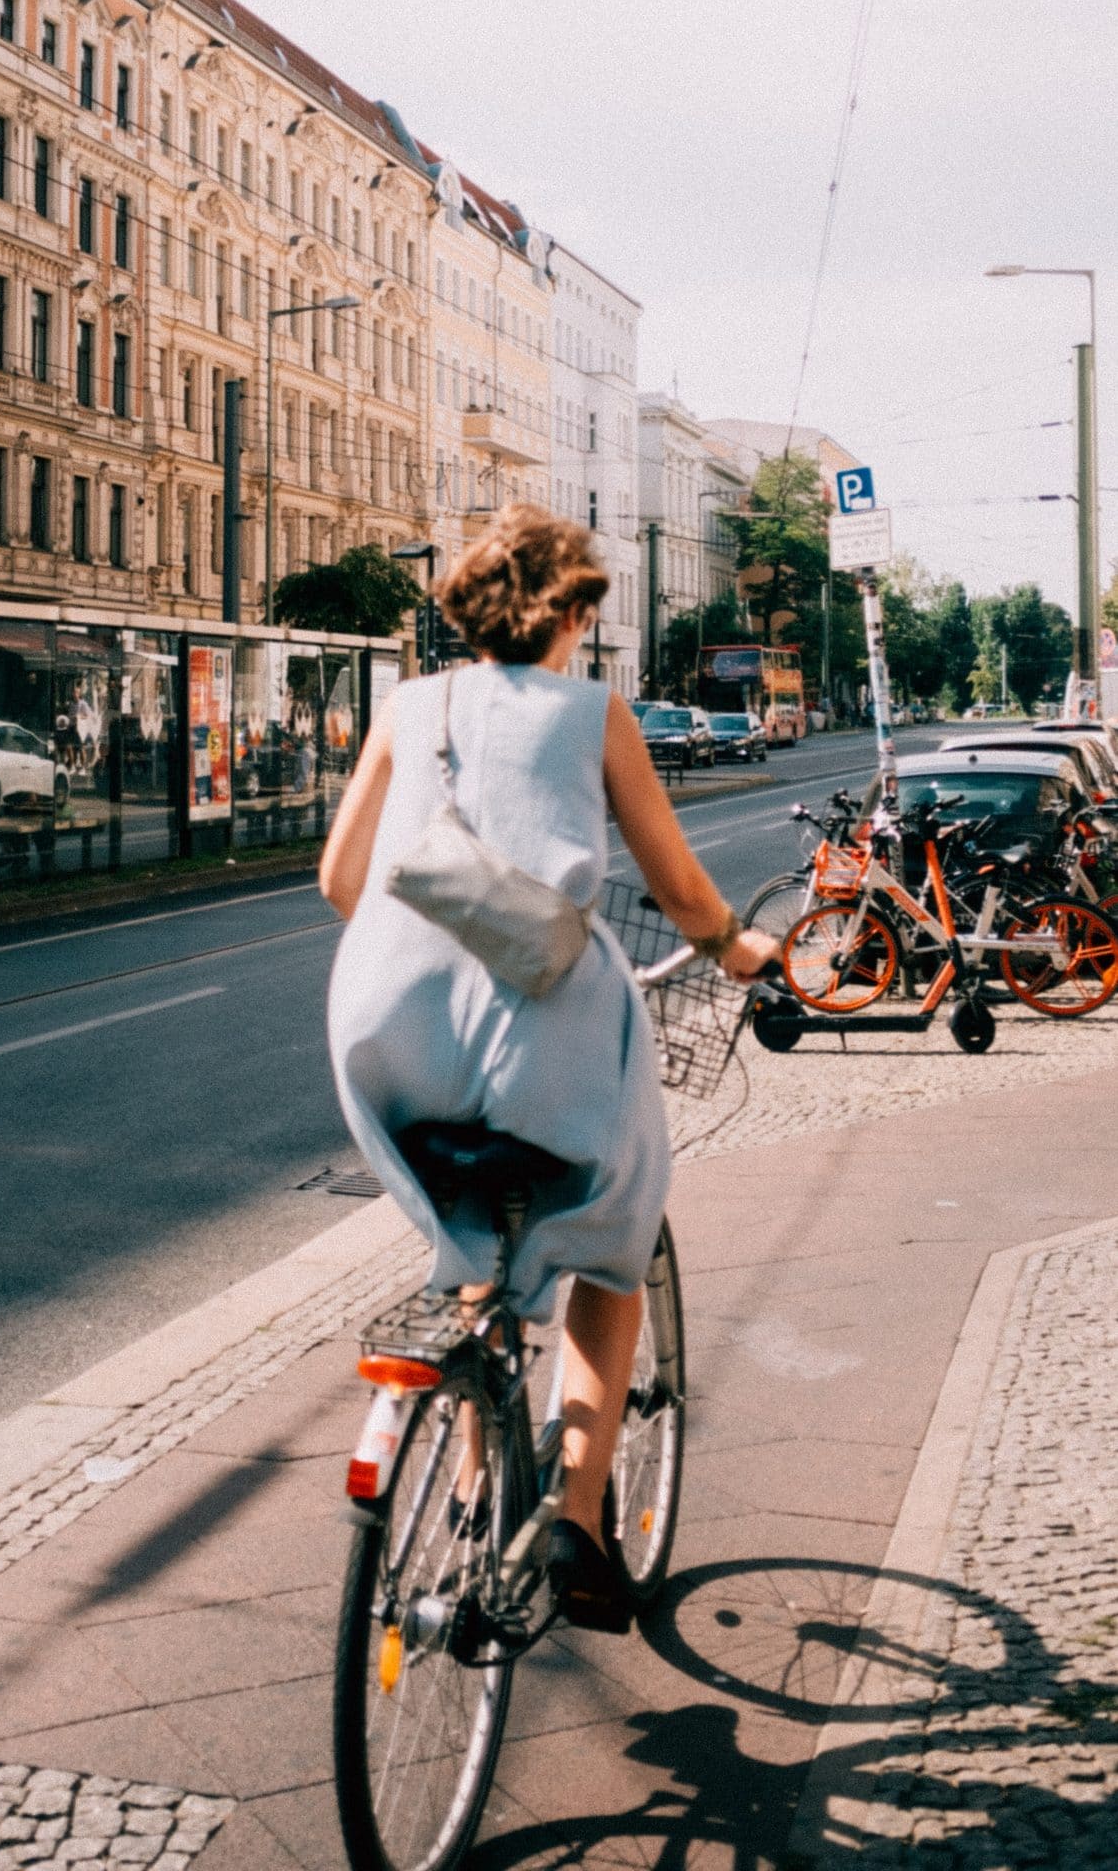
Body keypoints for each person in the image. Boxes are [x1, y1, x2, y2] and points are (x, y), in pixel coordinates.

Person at [320, 504, 775, 1633]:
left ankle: (478, 1488)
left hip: (385, 1031)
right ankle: (576, 1509)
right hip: (543, 1032)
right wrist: (737, 946)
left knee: (478, 1234)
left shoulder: (407, 707)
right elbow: (679, 891)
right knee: (616, 1238)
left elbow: (340, 876)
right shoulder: (596, 714)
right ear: (571, 613)